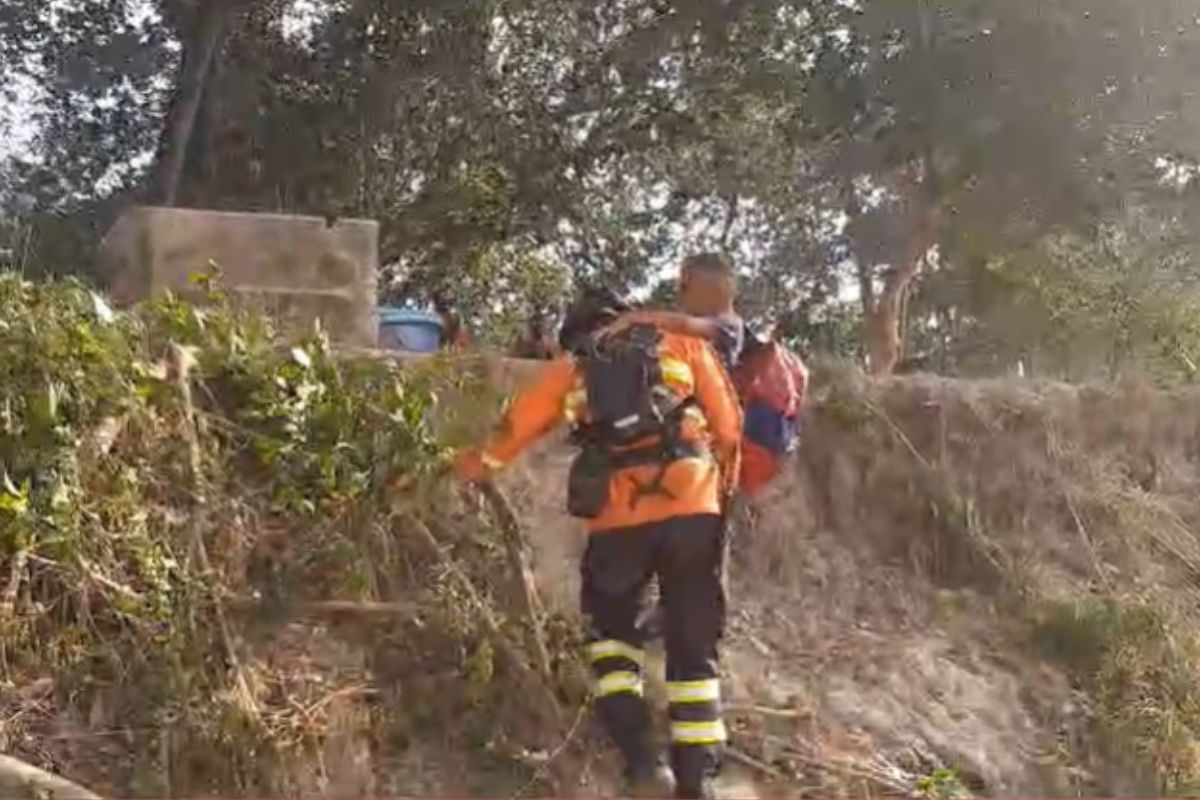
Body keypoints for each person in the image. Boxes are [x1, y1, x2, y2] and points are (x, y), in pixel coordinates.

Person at [455, 286, 743, 799]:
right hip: (693, 504)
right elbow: (729, 428)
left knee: (613, 637)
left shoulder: (574, 366)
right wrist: (717, 494)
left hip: (618, 518)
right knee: (692, 648)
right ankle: (696, 780)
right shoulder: (681, 344)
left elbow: (514, 429)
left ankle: (642, 761)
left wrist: (467, 469)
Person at [600, 252, 745, 375]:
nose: (680, 295)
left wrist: (633, 318)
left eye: (685, 286)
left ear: (716, 286)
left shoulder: (729, 326)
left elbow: (684, 324)